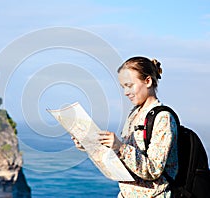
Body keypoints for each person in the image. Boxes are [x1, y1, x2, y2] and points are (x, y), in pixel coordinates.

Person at [72, 56, 178, 197]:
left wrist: (120, 147)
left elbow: (153, 169)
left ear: (148, 81)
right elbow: (125, 161)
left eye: (129, 85)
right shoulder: (134, 114)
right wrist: (89, 144)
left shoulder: (163, 118)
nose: (126, 92)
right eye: (123, 87)